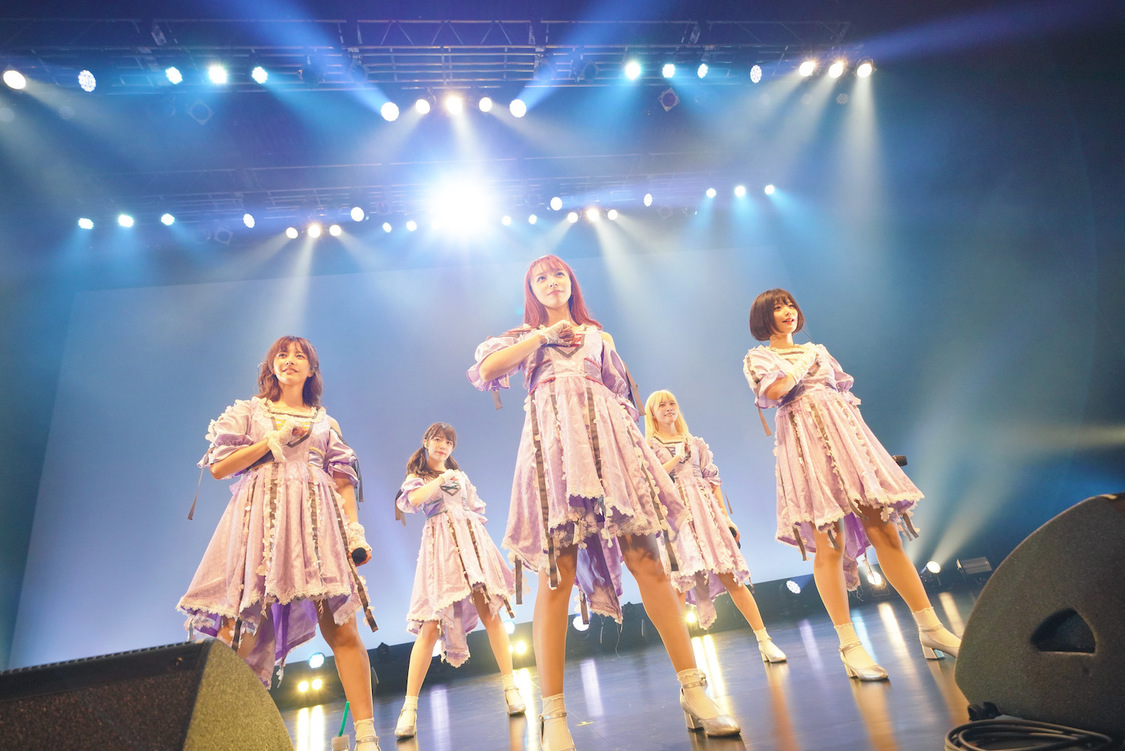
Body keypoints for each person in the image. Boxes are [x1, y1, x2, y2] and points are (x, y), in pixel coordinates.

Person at [469, 255, 741, 751]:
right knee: (558, 576)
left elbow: (621, 398)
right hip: (555, 459)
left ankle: (694, 690)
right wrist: (542, 337)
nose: (552, 282)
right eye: (541, 278)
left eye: (559, 274)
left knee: (648, 562)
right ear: (531, 290)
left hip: (611, 454)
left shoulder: (599, 336)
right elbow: (487, 370)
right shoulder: (523, 337)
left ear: (572, 283)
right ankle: (554, 715)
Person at [743, 289, 961, 681]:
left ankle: (930, 627)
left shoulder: (820, 351)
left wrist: (868, 452)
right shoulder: (759, 357)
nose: (788, 311)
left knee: (886, 532)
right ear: (764, 318)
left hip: (848, 442)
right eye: (777, 308)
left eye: (790, 305)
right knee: (830, 543)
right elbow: (775, 392)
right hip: (806, 448)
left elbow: (845, 397)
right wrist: (804, 361)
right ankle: (849, 646)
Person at [177, 336, 381, 750]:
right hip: (262, 529)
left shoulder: (326, 423)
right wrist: (272, 442)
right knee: (242, 631)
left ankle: (367, 737)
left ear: (312, 370)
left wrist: (354, 533)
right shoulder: (249, 412)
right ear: (271, 366)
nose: (290, 361)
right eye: (282, 355)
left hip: (317, 528)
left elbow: (343, 482)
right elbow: (219, 467)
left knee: (343, 628)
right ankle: (219, 736)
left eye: (299, 356)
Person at [392, 422, 526, 738]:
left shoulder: (461, 477)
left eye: (449, 442)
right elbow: (413, 501)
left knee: (491, 613)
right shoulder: (417, 478)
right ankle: (409, 709)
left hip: (471, 546)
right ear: (426, 441)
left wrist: (479, 545)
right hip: (440, 550)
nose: (443, 446)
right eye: (438, 439)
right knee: (430, 625)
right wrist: (441, 480)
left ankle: (511, 689)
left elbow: (473, 508)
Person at [643, 389, 787, 664]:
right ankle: (686, 662)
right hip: (676, 517)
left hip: (706, 512)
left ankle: (764, 640)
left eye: (672, 403)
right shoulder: (650, 446)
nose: (669, 408)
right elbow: (654, 478)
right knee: (679, 586)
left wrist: (726, 517)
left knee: (731, 575)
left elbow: (713, 480)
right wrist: (677, 458)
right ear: (652, 413)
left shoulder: (696, 443)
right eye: (662, 405)